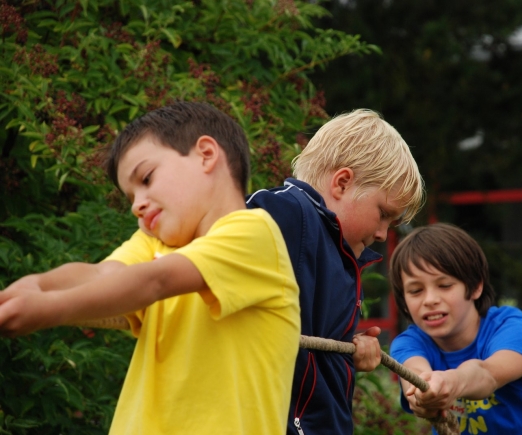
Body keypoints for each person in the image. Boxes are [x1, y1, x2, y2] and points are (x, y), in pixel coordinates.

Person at [0, 101, 301, 435]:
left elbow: (155, 281)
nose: (136, 206)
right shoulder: (155, 245)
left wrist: (48, 308)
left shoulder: (253, 233)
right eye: (130, 196)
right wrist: (32, 287)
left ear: (205, 154)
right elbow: (104, 274)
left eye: (146, 178)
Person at [246, 109, 425, 435]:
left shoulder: (340, 253)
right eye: (383, 214)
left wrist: (351, 347)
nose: (384, 234)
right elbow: (219, 238)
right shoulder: (291, 212)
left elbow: (315, 340)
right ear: (342, 183)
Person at [389, 223, 522, 434]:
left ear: (475, 287)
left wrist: (450, 382)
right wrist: (422, 393)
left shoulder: (511, 327)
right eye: (416, 290)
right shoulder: (407, 344)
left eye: (444, 285)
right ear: (403, 302)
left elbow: (487, 375)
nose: (430, 300)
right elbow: (414, 373)